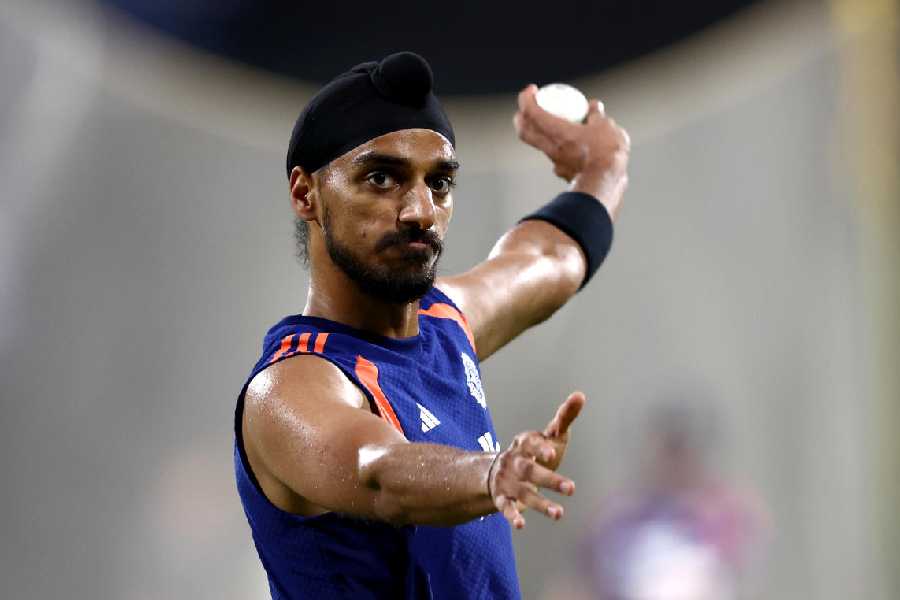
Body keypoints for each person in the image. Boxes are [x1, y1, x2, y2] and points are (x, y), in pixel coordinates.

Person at [233, 51, 630, 599]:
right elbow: (382, 472)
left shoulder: (447, 322)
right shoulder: (291, 389)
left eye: (439, 182)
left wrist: (603, 168)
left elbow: (550, 258)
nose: (420, 209)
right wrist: (489, 475)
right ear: (306, 194)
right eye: (381, 178)